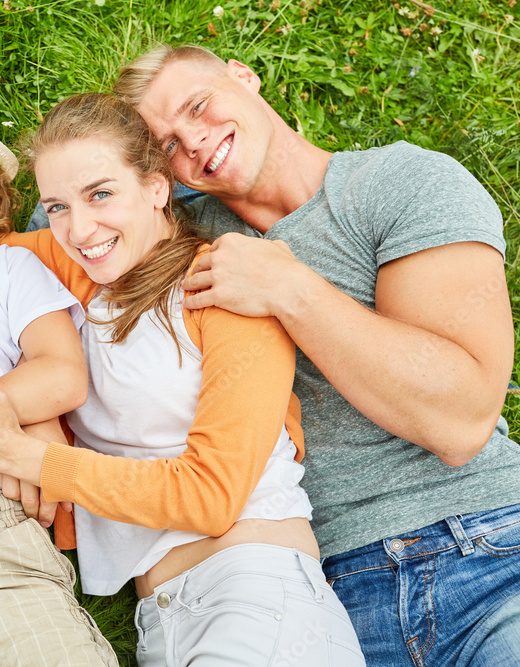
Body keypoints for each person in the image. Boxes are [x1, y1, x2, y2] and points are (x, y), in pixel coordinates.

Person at [0, 92, 365, 665]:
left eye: (100, 194)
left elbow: (211, 497)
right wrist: (37, 404)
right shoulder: (75, 270)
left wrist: (17, 452)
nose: (79, 227)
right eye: (58, 206)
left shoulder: (224, 289)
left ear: (156, 187)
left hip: (257, 595)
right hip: (162, 621)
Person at [109, 45, 520, 665]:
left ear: (243, 77)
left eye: (198, 106)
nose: (193, 141)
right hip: (320, 596)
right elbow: (62, 207)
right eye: (165, 144)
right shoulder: (173, 242)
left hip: (483, 547)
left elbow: (460, 420)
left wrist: (289, 289)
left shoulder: (398, 183)